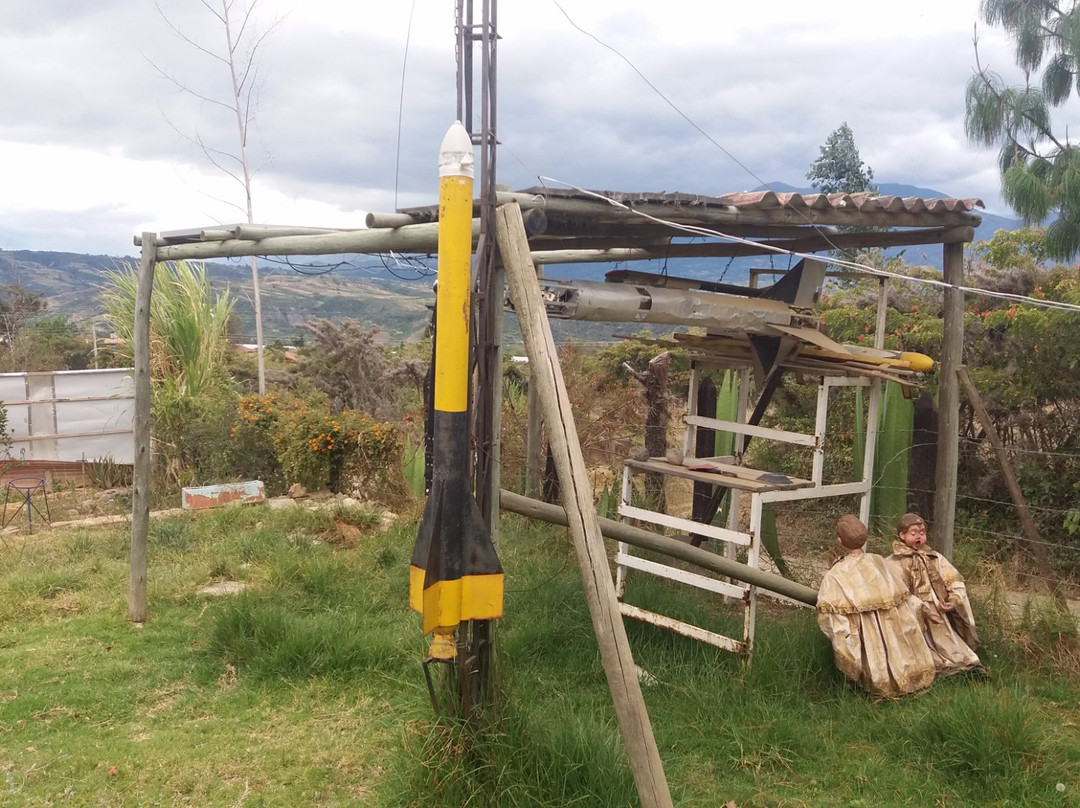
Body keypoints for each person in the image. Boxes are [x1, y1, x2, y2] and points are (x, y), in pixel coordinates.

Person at [816, 514, 938, 698]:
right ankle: (908, 681)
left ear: (840, 540)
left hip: (866, 629)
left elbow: (827, 612)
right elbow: (903, 594)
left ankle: (879, 686)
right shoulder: (878, 561)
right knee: (897, 646)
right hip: (892, 623)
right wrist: (924, 609)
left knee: (875, 653)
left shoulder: (835, 574)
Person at [887, 512, 983, 675]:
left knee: (945, 637)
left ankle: (961, 664)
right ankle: (930, 665)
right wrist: (921, 608)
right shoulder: (893, 562)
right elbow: (898, 592)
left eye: (922, 533)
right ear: (902, 535)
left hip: (938, 607)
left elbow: (953, 578)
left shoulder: (934, 558)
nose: (919, 537)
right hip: (914, 610)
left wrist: (954, 599)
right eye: (913, 533)